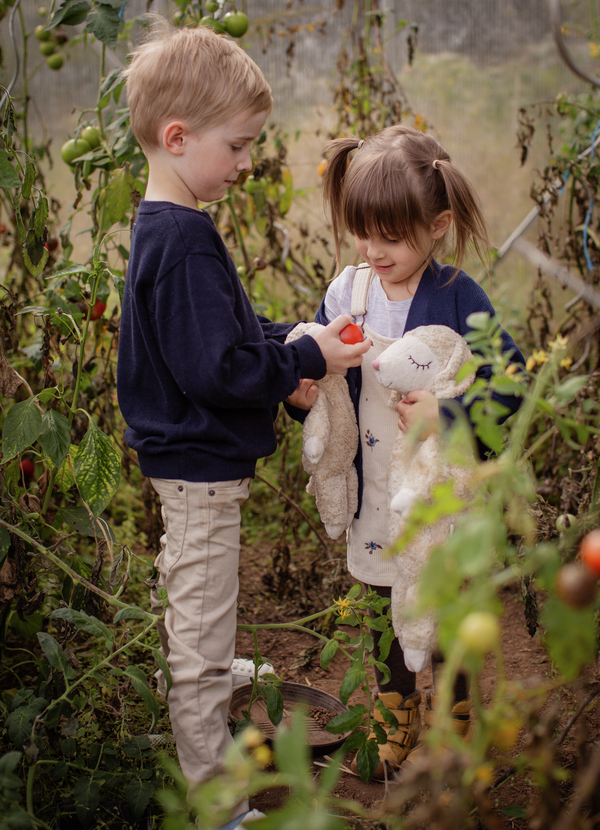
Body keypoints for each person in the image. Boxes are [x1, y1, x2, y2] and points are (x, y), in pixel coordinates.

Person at [116, 19, 371, 827]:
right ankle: (214, 801)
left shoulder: (170, 225)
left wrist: (289, 343)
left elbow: (225, 336)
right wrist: (299, 364)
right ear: (177, 135)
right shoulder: (186, 241)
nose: (247, 162)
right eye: (238, 145)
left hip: (190, 466)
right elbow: (213, 370)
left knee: (198, 587)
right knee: (199, 609)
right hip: (198, 470)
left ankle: (205, 668)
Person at [313, 124, 525, 780]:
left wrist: (449, 411)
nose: (374, 250)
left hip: (440, 495)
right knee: (382, 601)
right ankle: (395, 714)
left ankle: (456, 717)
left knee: (446, 607)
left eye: (392, 237)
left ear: (437, 225)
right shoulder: (350, 292)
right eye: (362, 232)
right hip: (377, 487)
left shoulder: (460, 296)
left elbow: (510, 383)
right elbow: (332, 373)